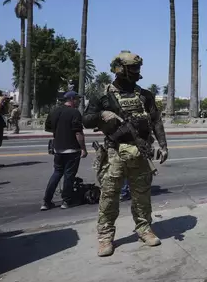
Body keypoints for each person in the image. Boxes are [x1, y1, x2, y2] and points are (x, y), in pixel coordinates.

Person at [83, 51, 169, 257]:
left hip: (140, 152)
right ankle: (105, 237)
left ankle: (144, 229)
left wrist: (163, 145)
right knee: (109, 195)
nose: (137, 72)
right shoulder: (103, 95)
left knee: (142, 195)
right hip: (115, 152)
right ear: (120, 69)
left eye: (137, 68)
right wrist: (102, 115)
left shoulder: (145, 95)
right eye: (133, 68)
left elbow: (156, 120)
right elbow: (86, 120)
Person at [42, 91, 88, 211]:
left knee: (57, 173)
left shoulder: (54, 111)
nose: (78, 101)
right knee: (69, 176)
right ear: (71, 99)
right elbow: (78, 132)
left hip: (58, 148)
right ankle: (67, 201)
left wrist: (59, 131)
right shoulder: (74, 112)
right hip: (72, 149)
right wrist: (83, 148)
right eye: (77, 99)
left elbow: (48, 128)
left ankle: (46, 201)